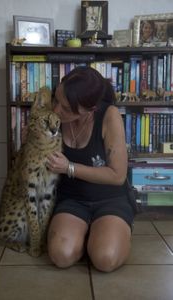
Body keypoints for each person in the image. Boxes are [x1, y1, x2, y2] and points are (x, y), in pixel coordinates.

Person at [46, 66, 136, 272]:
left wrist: (69, 167)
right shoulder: (53, 116)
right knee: (62, 255)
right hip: (72, 199)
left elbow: (117, 175)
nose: (57, 110)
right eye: (56, 99)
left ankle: (105, 233)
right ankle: (86, 235)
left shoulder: (109, 115)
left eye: (67, 108)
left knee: (105, 259)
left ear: (90, 109)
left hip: (110, 199)